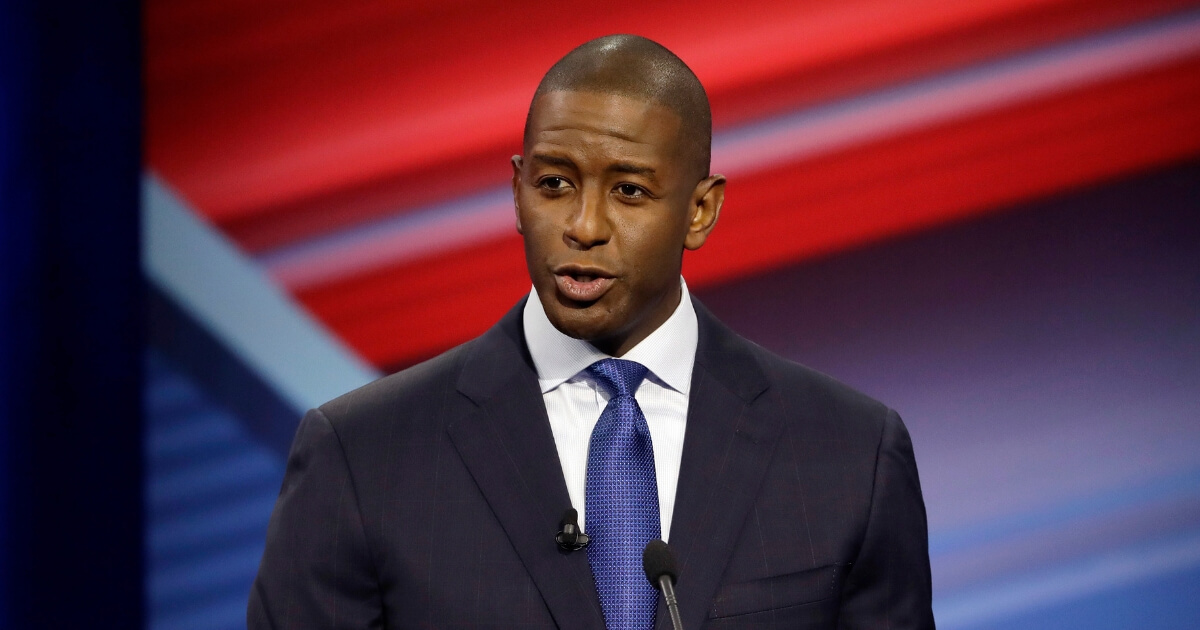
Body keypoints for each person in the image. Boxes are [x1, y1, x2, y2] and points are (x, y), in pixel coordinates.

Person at [249, 34, 934, 629]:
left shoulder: (849, 455)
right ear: (517, 192)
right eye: (554, 184)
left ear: (700, 211)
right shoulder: (362, 459)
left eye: (629, 191)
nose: (583, 225)